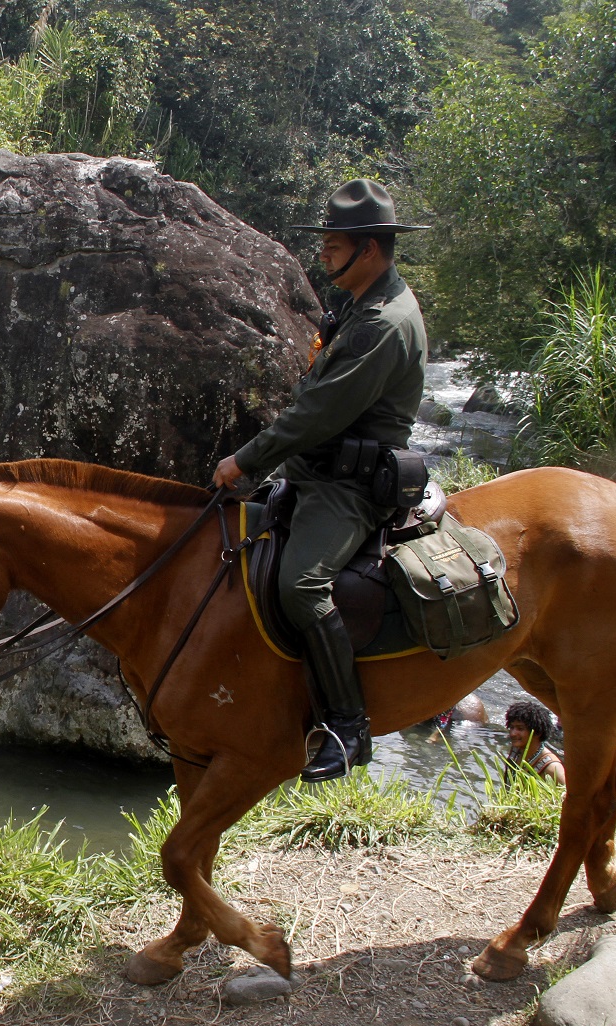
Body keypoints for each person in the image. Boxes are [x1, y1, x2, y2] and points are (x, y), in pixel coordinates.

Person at [210, 178, 429, 784]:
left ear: (371, 247)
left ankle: (346, 725)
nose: (324, 249)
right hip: (314, 470)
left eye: (335, 241)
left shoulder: (384, 323)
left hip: (349, 486)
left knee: (300, 586)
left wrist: (246, 460)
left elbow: (319, 412)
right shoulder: (358, 305)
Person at [505, 700, 564, 785]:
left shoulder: (552, 768)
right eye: (512, 727)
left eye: (520, 729)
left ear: (537, 732)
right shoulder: (515, 752)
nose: (513, 733)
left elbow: (566, 796)